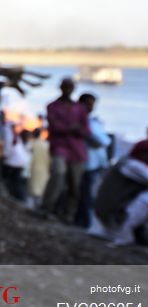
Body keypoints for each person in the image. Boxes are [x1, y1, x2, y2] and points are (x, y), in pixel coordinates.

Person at [42, 78, 90, 222]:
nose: (68, 89)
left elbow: (85, 130)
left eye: (70, 87)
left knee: (74, 185)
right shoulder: (52, 106)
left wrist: (67, 128)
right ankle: (46, 207)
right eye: (66, 86)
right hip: (59, 147)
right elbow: (55, 127)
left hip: (76, 151)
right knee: (58, 173)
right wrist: (73, 128)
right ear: (61, 88)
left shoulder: (79, 108)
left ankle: (69, 214)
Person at [89, 140, 148, 246]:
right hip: (111, 220)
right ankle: (125, 235)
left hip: (109, 218)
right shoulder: (133, 165)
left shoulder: (129, 162)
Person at [75, 93, 112, 228]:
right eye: (88, 104)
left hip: (96, 163)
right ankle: (85, 224)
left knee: (88, 195)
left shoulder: (93, 121)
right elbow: (102, 140)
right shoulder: (84, 122)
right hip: (87, 164)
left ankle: (84, 222)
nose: (91, 107)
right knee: (87, 196)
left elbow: (103, 140)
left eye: (92, 104)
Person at [2, 125, 30, 201]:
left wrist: (4, 157)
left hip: (14, 163)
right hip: (19, 163)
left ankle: (19, 197)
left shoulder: (12, 137)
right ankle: (18, 197)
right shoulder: (17, 139)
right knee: (16, 181)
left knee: (14, 181)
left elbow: (8, 151)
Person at [27, 128, 51, 208]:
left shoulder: (30, 144)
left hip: (33, 170)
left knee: (31, 192)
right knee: (40, 191)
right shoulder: (46, 144)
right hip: (44, 171)